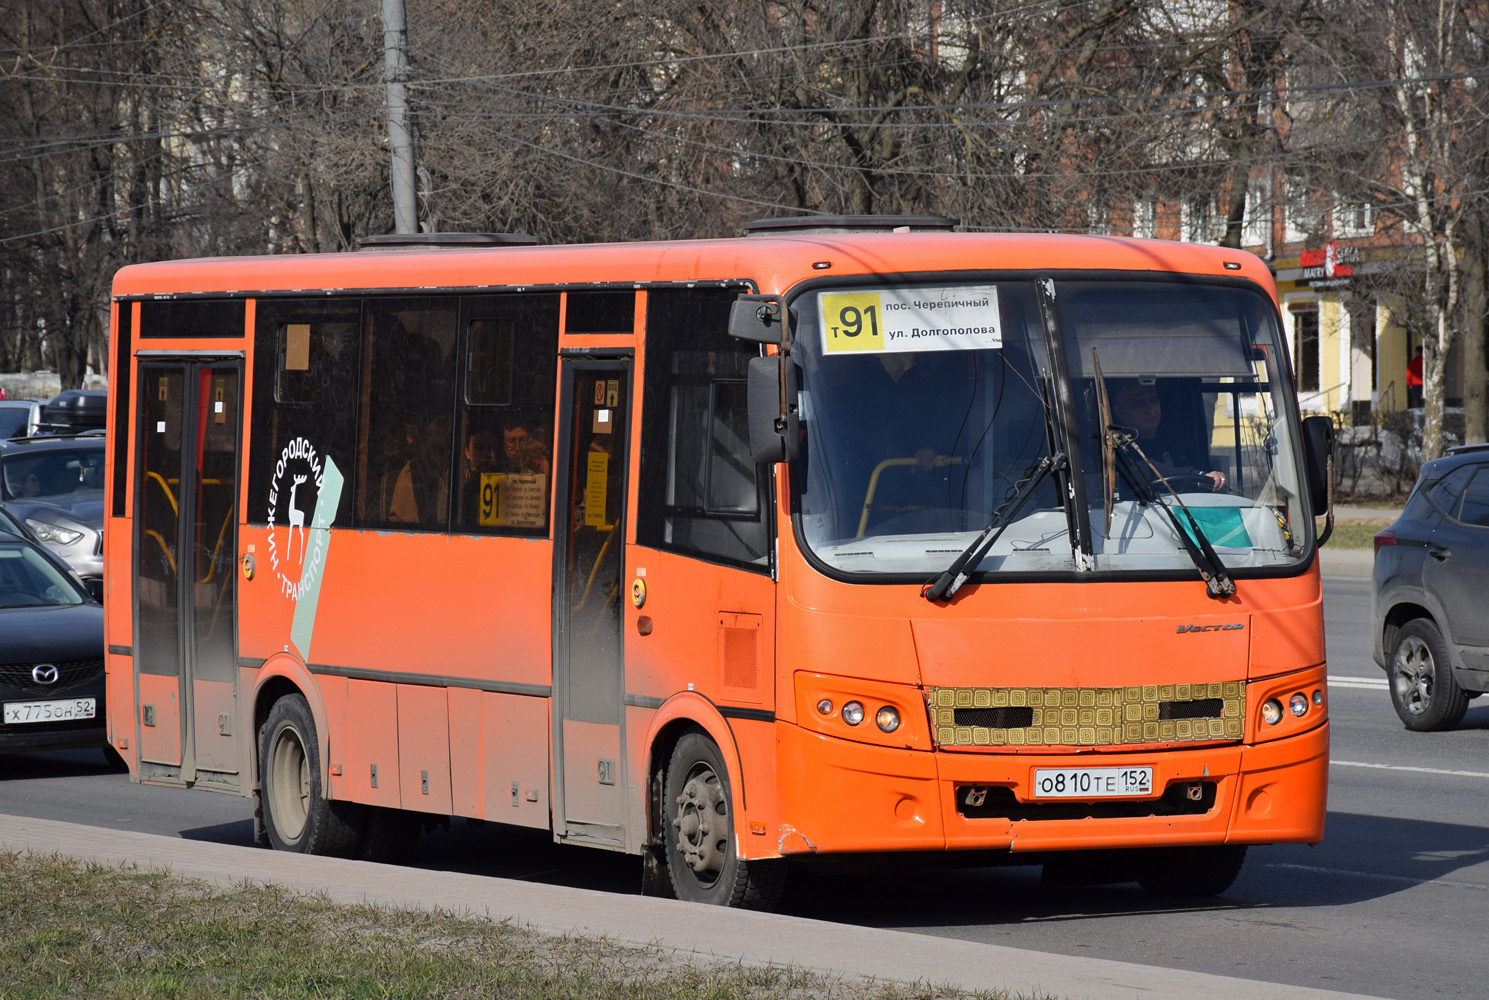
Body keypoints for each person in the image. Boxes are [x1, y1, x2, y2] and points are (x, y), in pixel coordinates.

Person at [1108, 379, 1227, 491]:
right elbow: (1148, 470)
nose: (1150, 409)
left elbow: (1202, 469)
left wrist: (1215, 477)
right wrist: (1199, 475)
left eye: (1153, 400)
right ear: (1119, 411)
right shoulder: (1117, 448)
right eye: (1139, 403)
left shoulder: (1179, 441)